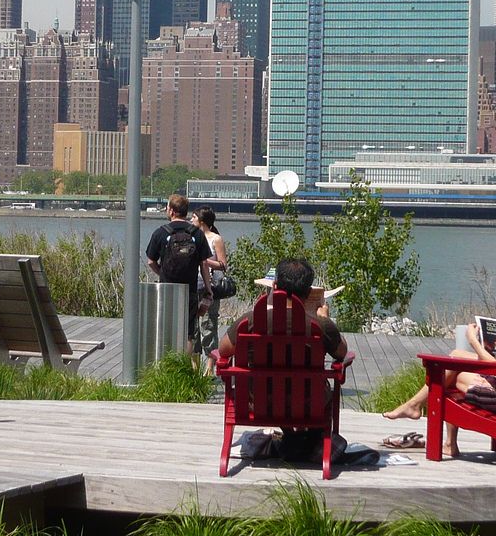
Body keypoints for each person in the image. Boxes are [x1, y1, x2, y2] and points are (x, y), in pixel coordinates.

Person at [383, 267, 496, 457]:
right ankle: (421, 413)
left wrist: (474, 341)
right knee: (456, 355)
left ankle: (426, 419)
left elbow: (495, 368)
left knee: (450, 372)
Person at [218, 258, 348, 461]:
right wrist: (325, 318)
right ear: (308, 293)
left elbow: (223, 350)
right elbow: (342, 354)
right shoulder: (320, 325)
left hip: (257, 402)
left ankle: (292, 439)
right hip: (308, 404)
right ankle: (307, 441)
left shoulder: (250, 320)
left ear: (275, 286)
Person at [145, 194, 211, 358]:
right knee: (188, 332)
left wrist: (163, 273)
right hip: (190, 289)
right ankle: (183, 367)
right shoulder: (197, 234)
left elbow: (150, 261)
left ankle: (165, 364)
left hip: (166, 289)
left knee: (164, 327)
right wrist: (208, 290)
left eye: (167, 207)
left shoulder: (161, 233)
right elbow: (204, 264)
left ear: (172, 211)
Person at [191, 206, 227, 375]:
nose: (191, 220)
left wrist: (204, 261)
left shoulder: (215, 239)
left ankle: (210, 367)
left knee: (209, 325)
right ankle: (195, 365)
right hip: (193, 284)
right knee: (193, 328)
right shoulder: (192, 236)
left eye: (194, 218)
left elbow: (223, 264)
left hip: (209, 287)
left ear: (202, 221)